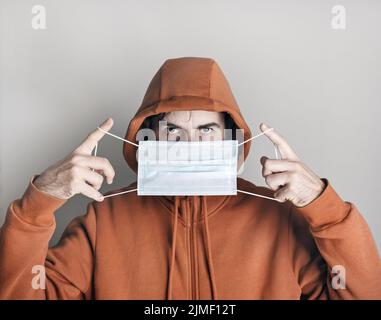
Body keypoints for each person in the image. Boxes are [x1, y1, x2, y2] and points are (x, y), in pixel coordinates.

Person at [0, 57, 380, 300]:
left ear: (234, 140)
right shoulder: (105, 221)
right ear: (148, 139)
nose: (191, 144)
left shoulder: (278, 220)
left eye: (207, 130)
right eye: (174, 132)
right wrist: (38, 204)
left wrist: (323, 206)